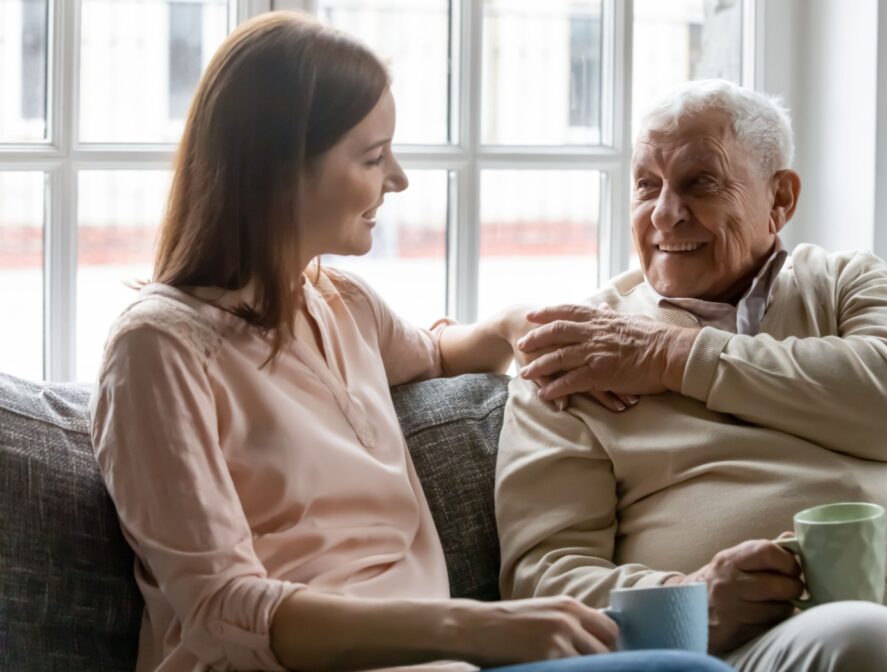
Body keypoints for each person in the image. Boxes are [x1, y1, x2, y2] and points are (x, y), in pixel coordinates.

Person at [89, 11, 731, 672]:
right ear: (280, 167)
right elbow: (222, 607)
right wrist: (472, 626)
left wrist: (521, 326)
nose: (397, 179)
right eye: (372, 157)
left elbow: (440, 353)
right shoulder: (156, 349)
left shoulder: (344, 306)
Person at [495, 79, 887, 672]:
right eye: (647, 185)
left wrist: (675, 357)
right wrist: (690, 597)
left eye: (700, 182)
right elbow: (542, 578)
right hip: (776, 636)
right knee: (863, 638)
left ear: (780, 200)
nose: (665, 213)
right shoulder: (577, 353)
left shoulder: (848, 281)